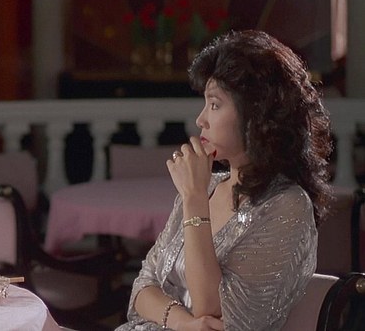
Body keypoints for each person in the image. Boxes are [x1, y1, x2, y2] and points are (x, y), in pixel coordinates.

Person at [116, 30, 333, 331]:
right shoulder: (207, 186)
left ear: (256, 115)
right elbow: (142, 288)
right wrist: (182, 323)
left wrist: (194, 201)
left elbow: (213, 308)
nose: (201, 120)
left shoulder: (287, 205)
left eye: (215, 105)